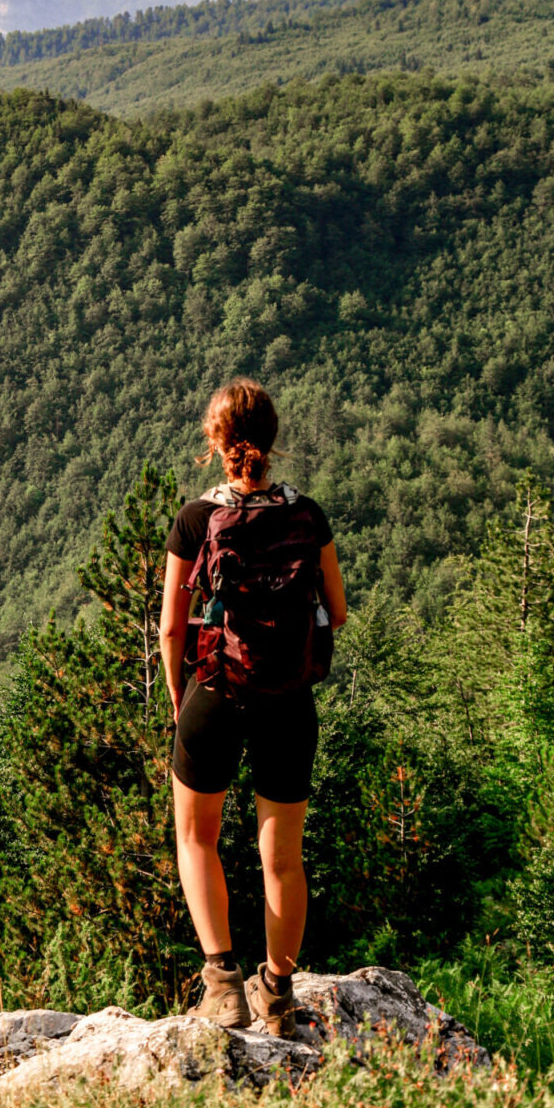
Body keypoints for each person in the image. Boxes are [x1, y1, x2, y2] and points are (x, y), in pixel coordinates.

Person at [159, 378, 347, 1037]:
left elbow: (170, 630)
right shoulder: (308, 515)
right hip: (288, 700)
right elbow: (339, 610)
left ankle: (222, 986)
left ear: (217, 442)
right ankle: (280, 992)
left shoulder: (194, 518)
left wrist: (183, 698)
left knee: (195, 836)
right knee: (284, 859)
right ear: (270, 438)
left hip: (213, 691)